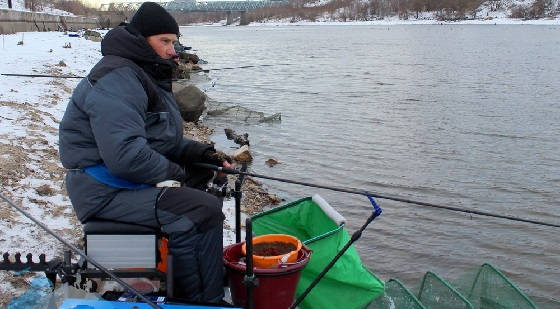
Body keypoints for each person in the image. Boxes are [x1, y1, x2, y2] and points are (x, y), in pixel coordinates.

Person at [58, 2, 230, 303]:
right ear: (142, 39)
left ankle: (194, 274)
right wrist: (176, 174)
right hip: (102, 190)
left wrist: (200, 152)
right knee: (201, 210)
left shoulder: (141, 72)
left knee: (202, 178)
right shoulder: (118, 77)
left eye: (174, 42)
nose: (172, 50)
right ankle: (198, 299)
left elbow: (159, 137)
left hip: (117, 181)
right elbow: (125, 154)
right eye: (164, 41)